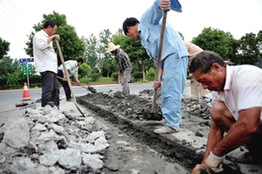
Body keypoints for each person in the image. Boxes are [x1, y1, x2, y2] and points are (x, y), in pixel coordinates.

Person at [189, 51, 262, 174]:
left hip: (254, 126)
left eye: (203, 80)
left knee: (246, 124)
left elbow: (248, 125)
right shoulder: (219, 89)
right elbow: (216, 126)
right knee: (217, 111)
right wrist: (205, 163)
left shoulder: (247, 77)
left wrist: (217, 153)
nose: (204, 87)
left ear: (216, 67)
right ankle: (257, 154)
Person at [123, 0, 189, 134]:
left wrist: (162, 3)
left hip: (174, 55)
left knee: (171, 91)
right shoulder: (145, 43)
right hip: (168, 60)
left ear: (129, 28)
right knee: (168, 90)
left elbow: (157, 7)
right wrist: (158, 79)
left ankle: (172, 125)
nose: (131, 38)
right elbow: (158, 63)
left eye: (129, 36)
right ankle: (172, 121)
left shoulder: (146, 21)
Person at [33, 20, 60, 108]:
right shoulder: (39, 35)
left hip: (52, 68)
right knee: (48, 90)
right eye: (54, 29)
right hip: (46, 67)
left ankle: (56, 108)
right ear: (49, 27)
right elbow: (41, 46)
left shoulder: (47, 37)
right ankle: (46, 109)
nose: (54, 32)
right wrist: (52, 38)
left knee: (55, 89)